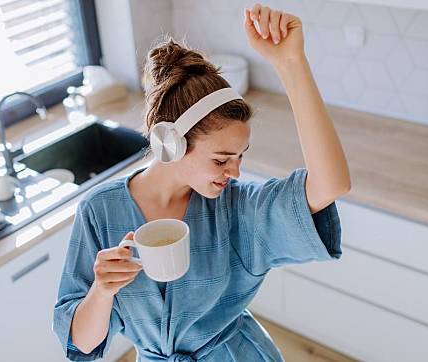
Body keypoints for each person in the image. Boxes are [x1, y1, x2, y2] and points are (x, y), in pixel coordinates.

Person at [53, 4, 351, 361]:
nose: (235, 172)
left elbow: (330, 184)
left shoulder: (238, 209)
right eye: (221, 159)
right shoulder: (99, 212)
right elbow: (82, 344)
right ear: (171, 143)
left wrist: (292, 64)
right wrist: (101, 291)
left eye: (240, 157)